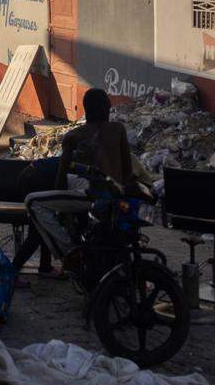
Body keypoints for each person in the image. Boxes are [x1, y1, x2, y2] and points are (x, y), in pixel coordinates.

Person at [23, 89, 152, 272]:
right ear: (107, 109)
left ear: (86, 110)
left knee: (33, 202)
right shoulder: (118, 129)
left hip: (95, 196)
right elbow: (127, 174)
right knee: (76, 184)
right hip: (117, 194)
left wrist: (63, 211)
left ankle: (69, 251)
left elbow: (60, 182)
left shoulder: (74, 136)